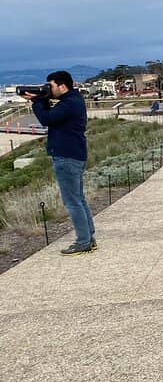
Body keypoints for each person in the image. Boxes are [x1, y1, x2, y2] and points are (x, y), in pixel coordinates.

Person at [25, 71, 96, 255]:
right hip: (74, 155)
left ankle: (83, 242)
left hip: (66, 157)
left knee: (72, 202)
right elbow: (53, 117)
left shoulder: (69, 103)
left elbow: (47, 119)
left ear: (62, 86)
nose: (49, 89)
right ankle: (89, 238)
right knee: (79, 199)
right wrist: (44, 99)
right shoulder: (74, 100)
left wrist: (37, 101)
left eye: (51, 86)